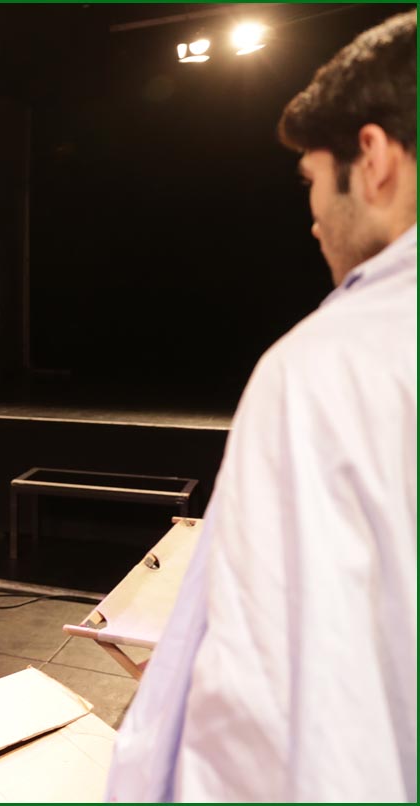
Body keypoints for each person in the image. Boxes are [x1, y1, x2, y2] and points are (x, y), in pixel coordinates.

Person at [106, 10, 416, 801]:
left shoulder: (327, 369)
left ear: (374, 161)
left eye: (312, 181)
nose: (312, 219)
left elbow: (267, 719)